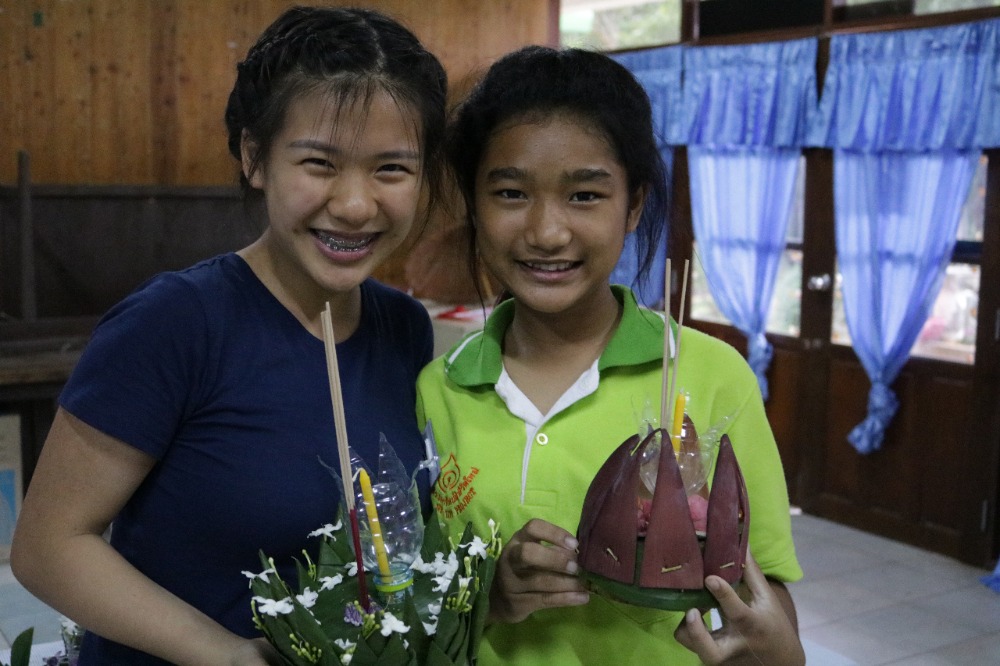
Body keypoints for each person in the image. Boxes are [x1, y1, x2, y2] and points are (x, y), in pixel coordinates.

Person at [11, 6, 446, 664]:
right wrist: (226, 654)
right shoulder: (175, 322)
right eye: (319, 163)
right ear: (254, 156)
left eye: (392, 169)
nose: (356, 205)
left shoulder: (403, 327)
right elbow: (48, 548)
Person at [416, 46, 805, 665]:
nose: (547, 232)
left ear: (635, 206)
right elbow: (414, 600)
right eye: (511, 193)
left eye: (584, 196)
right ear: (474, 203)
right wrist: (491, 595)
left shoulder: (710, 375)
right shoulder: (441, 388)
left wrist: (775, 649)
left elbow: (765, 592)